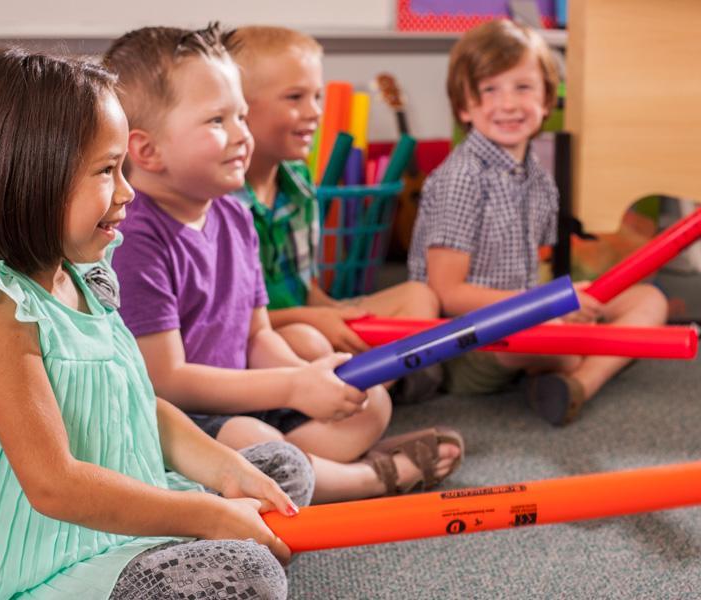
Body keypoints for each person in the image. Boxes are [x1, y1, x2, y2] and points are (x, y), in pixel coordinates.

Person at [0, 47, 317, 600]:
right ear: (28, 180)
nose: (128, 193)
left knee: (280, 469)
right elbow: (54, 487)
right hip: (47, 564)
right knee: (248, 576)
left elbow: (135, 403)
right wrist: (205, 514)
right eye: (108, 171)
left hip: (127, 518)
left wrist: (226, 471)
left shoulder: (86, 275)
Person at [103, 24, 463, 505]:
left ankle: (307, 472)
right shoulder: (135, 238)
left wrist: (310, 382)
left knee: (370, 401)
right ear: (146, 150)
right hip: (181, 420)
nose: (241, 136)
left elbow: (257, 335)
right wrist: (293, 385)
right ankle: (369, 478)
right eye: (217, 122)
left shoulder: (233, 210)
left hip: (248, 395)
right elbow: (167, 381)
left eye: (242, 117)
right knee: (255, 442)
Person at [407, 19, 668, 426]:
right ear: (464, 106)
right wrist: (551, 305)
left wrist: (559, 303)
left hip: (527, 312)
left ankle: (578, 385)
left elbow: (534, 271)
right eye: (489, 89)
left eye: (523, 87)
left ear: (547, 100)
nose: (508, 104)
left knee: (649, 299)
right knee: (567, 345)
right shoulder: (461, 178)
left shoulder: (536, 176)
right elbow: (446, 292)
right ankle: (574, 369)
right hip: (468, 343)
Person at [226, 25, 444, 404]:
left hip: (308, 321)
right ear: (239, 108)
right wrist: (314, 320)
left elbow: (307, 288)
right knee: (305, 341)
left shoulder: (298, 179)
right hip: (256, 342)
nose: (315, 112)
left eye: (317, 96)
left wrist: (336, 312)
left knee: (418, 297)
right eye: (295, 97)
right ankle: (366, 389)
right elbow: (231, 323)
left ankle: (364, 386)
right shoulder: (222, 202)